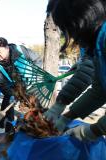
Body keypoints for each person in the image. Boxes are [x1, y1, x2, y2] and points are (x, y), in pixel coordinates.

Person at [45, 0, 106, 141]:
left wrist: (95, 130)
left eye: (66, 27)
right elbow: (100, 91)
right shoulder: (94, 43)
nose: (69, 35)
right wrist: (66, 117)